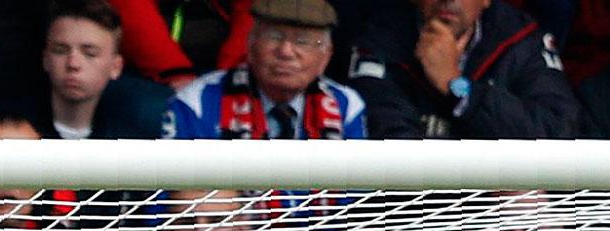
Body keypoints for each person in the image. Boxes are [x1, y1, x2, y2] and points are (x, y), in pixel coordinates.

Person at [350, 0, 579, 138]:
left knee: (525, 198)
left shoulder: (522, 40)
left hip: (493, 196)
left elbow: (557, 130)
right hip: (409, 207)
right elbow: (390, 143)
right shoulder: (379, 40)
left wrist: (457, 87)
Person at [163, 0, 369, 138]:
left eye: (303, 41)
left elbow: (356, 196)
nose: (286, 51)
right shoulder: (197, 102)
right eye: (275, 37)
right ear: (250, 45)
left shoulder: (347, 106)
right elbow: (170, 197)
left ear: (326, 56)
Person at [33, 0, 150, 139]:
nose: (73, 64)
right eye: (60, 51)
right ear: (45, 59)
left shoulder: (130, 144)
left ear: (116, 66)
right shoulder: (8, 133)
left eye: (90, 54)